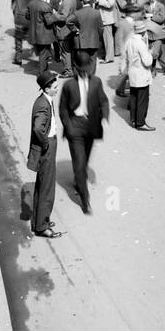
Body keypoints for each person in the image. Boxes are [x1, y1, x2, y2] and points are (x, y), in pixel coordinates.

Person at [58, 51, 109, 212]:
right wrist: (69, 126)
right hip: (75, 127)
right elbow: (62, 109)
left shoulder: (97, 82)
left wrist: (105, 118)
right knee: (79, 164)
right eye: (82, 69)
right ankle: (84, 199)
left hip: (91, 126)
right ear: (76, 69)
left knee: (84, 160)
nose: (86, 72)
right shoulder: (69, 85)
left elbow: (104, 101)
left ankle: (78, 179)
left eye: (87, 69)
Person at [28, 71, 62, 239]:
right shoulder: (43, 104)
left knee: (42, 186)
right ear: (47, 88)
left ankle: (39, 221)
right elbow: (37, 128)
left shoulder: (44, 100)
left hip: (46, 145)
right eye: (55, 86)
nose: (57, 88)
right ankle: (42, 226)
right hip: (46, 147)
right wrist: (46, 142)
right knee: (47, 188)